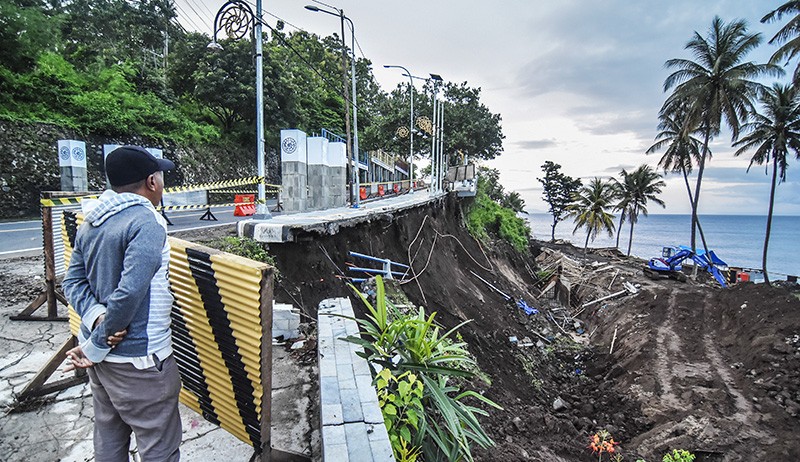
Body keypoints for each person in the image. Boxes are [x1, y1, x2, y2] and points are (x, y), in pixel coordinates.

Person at [63, 145, 181, 462]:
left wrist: (98, 319)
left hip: (103, 368)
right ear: (152, 182)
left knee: (109, 439)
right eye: (160, 176)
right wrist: (99, 343)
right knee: (160, 446)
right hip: (141, 361)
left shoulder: (92, 222)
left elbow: (72, 282)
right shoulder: (147, 222)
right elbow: (130, 292)